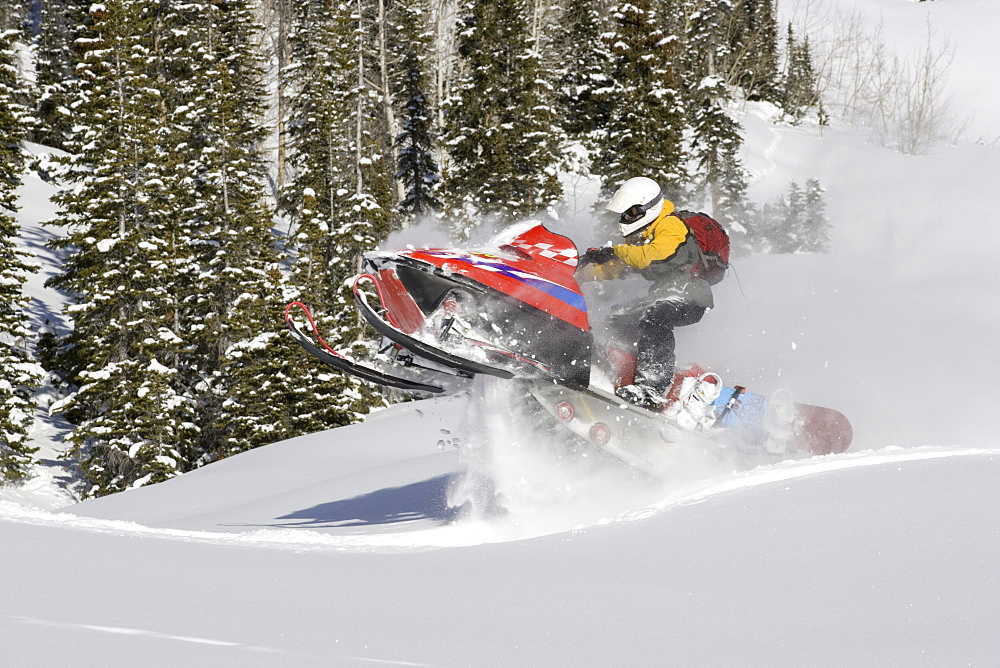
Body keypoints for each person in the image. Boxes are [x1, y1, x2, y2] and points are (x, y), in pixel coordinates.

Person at [578, 176, 714, 409]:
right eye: (624, 215)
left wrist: (613, 251)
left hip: (690, 296)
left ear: (648, 207)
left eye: (631, 213)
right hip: (663, 295)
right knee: (616, 319)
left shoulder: (671, 226)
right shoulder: (648, 234)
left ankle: (652, 388)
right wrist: (584, 273)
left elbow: (651, 255)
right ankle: (621, 369)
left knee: (654, 317)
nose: (626, 219)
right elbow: (625, 265)